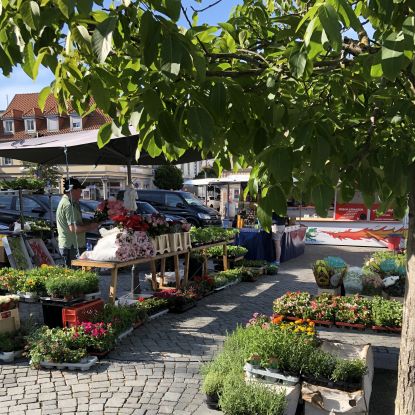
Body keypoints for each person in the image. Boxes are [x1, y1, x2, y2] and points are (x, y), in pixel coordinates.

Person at [56, 177, 99, 267]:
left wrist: (91, 221)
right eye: (79, 191)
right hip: (71, 247)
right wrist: (91, 226)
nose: (81, 193)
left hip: (75, 245)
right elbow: (74, 228)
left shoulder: (73, 203)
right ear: (73, 190)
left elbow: (78, 222)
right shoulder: (68, 205)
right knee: (74, 275)